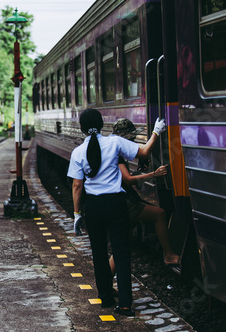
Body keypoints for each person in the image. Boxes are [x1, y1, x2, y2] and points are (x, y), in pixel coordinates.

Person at [67, 108, 166, 317]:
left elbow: (77, 186)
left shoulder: (77, 152)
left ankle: (105, 298)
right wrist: (156, 131)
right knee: (121, 254)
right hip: (116, 204)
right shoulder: (114, 142)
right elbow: (145, 152)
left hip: (93, 207)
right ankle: (125, 305)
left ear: (82, 128)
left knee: (99, 254)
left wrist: (77, 214)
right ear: (102, 124)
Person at [108, 118, 180, 270]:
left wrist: (138, 173)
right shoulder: (117, 152)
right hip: (125, 203)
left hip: (116, 202)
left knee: (120, 246)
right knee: (159, 214)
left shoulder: (110, 148)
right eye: (131, 137)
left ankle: (106, 285)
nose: (133, 140)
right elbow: (127, 179)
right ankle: (169, 255)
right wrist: (154, 174)